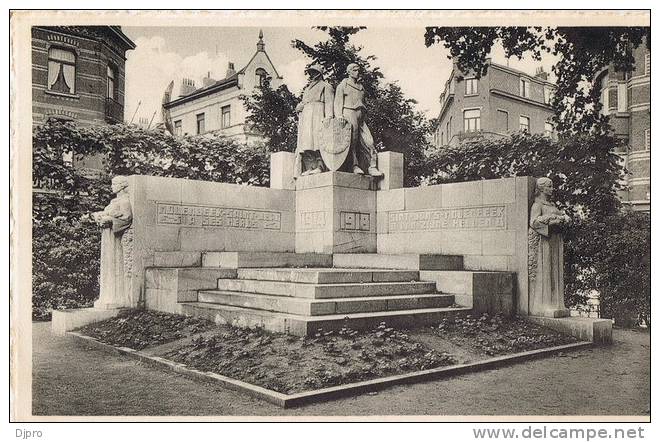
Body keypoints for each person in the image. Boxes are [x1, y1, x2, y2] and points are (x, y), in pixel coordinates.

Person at [528, 177, 571, 317]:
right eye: (550, 186)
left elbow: (559, 218)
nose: (552, 189)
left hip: (555, 240)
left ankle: (557, 303)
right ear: (541, 188)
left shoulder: (552, 205)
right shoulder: (537, 205)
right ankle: (544, 304)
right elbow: (533, 222)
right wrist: (551, 221)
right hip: (545, 241)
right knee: (546, 270)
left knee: (555, 271)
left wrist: (563, 220)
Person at [334, 63, 383, 176]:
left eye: (358, 70)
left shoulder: (361, 87)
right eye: (355, 70)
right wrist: (339, 116)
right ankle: (354, 165)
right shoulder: (343, 85)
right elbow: (337, 103)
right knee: (352, 141)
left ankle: (372, 166)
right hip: (348, 112)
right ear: (349, 72)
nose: (358, 72)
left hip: (360, 115)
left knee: (369, 141)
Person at [92, 176, 133, 308]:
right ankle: (106, 296)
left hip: (114, 236)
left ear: (122, 186)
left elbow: (127, 218)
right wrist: (99, 216)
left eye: (114, 184)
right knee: (107, 263)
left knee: (113, 263)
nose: (112, 186)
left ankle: (115, 297)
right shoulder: (114, 201)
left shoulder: (125, 201)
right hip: (107, 235)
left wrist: (109, 220)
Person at [294, 64, 334, 177]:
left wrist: (328, 117)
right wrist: (300, 106)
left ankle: (320, 166)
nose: (311, 75)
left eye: (313, 72)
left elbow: (329, 102)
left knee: (317, 141)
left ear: (319, 74)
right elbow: (304, 101)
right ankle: (310, 166)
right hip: (307, 116)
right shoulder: (307, 89)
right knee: (307, 142)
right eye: (310, 72)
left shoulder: (326, 86)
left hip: (318, 113)